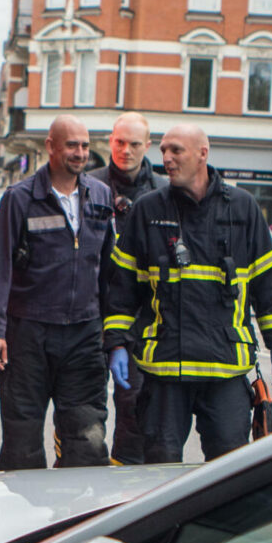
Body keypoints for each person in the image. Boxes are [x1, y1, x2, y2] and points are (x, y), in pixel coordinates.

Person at [102, 123, 272, 464]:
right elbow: (121, 287)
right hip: (164, 372)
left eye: (176, 150)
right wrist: (117, 343)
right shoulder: (148, 211)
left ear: (202, 154)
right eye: (163, 151)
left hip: (224, 370)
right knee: (159, 470)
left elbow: (269, 281)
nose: (167, 158)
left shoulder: (242, 208)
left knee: (228, 472)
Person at [0, 115, 114, 470]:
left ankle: (75, 518)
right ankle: (27, 521)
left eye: (85, 145)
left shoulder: (100, 196)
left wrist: (113, 332)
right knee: (21, 444)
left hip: (84, 335)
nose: (80, 153)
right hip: (29, 335)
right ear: (51, 147)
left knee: (87, 442)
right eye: (72, 145)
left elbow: (109, 270)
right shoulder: (20, 198)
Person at [94, 112, 162, 464]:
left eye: (135, 144)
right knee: (84, 413)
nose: (126, 150)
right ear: (110, 141)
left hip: (138, 323)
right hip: (89, 315)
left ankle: (123, 491)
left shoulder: (164, 195)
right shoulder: (88, 185)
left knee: (134, 410)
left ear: (147, 146)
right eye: (120, 142)